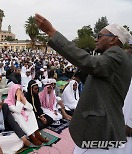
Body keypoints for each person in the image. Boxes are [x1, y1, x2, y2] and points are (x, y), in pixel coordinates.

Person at [35, 14, 132, 153]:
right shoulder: (117, 58)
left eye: (99, 36)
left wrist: (52, 32)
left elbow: (88, 62)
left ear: (114, 39)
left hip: (98, 128)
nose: (95, 39)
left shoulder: (117, 54)